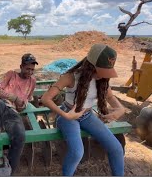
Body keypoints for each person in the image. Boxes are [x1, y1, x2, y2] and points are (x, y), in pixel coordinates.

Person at [41, 44, 125, 176]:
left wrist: (120, 109)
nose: (103, 76)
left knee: (116, 149)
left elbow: (110, 97)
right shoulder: (70, 77)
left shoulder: (102, 80)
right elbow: (46, 99)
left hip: (87, 116)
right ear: (90, 66)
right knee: (77, 153)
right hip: (68, 115)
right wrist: (66, 115)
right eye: (101, 71)